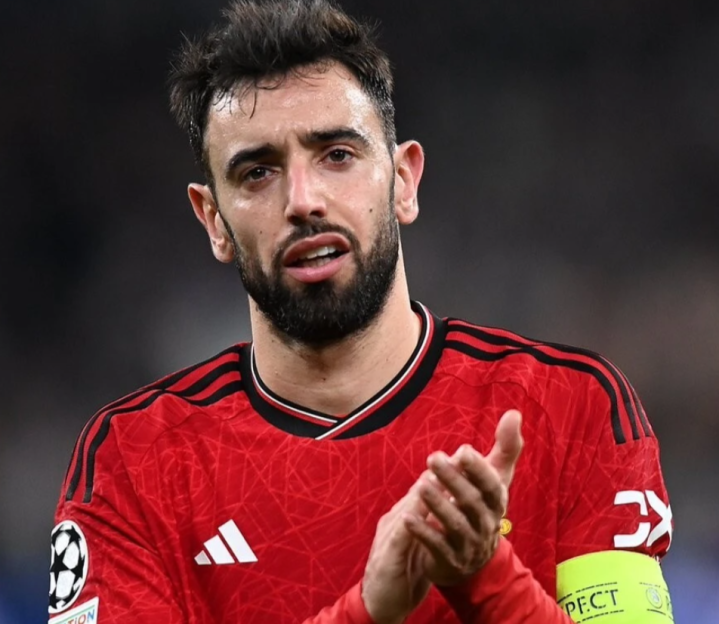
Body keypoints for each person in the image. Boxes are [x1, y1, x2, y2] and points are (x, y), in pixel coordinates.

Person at [48, 1, 674, 623]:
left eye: (337, 155)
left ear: (403, 181)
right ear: (213, 220)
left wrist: (483, 575)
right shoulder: (133, 463)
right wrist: (368, 611)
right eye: (258, 172)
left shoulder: (572, 408)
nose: (303, 200)